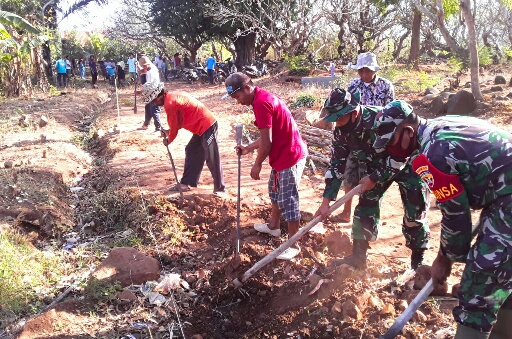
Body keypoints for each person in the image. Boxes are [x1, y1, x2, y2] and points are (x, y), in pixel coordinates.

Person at [372, 101, 512, 339]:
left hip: (506, 201)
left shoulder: (434, 155)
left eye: (391, 143)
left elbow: (456, 215)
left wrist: (444, 260)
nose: (390, 150)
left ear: (407, 132)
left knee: (480, 283)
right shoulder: (439, 127)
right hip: (501, 196)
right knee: (503, 272)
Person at [314, 88, 430, 270]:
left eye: (339, 118)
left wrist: (375, 177)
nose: (337, 123)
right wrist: (325, 202)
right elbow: (337, 164)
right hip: (374, 169)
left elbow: (402, 153)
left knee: (415, 211)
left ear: (353, 113)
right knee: (366, 205)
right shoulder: (341, 132)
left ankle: (418, 261)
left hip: (407, 164)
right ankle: (358, 257)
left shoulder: (380, 120)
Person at [224, 72, 308, 260]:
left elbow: (267, 143)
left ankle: (293, 245)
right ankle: (274, 226)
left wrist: (257, 164)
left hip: (290, 156)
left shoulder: (261, 103)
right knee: (275, 190)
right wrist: (247, 148)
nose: (238, 101)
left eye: (237, 97)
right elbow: (266, 137)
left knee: (288, 200)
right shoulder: (260, 98)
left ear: (247, 88)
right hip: (282, 154)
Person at [326, 52, 396, 224]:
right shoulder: (354, 85)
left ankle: (367, 220)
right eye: (361, 71)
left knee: (372, 182)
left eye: (367, 71)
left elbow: (392, 112)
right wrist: (326, 201)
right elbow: (336, 164)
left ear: (374, 70)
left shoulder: (386, 86)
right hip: (353, 136)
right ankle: (346, 212)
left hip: (376, 137)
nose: (363, 74)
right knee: (349, 175)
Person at [142, 81, 225, 194]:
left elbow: (175, 129)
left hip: (207, 126)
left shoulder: (169, 103)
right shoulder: (172, 97)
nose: (154, 104)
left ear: (157, 95)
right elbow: (178, 122)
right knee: (192, 150)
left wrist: (168, 140)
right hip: (200, 128)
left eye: (153, 100)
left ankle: (220, 189)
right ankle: (186, 183)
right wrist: (168, 131)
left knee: (212, 156)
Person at [135, 56, 162, 132]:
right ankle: (146, 125)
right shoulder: (149, 68)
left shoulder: (152, 72)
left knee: (154, 110)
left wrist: (140, 92)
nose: (144, 68)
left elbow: (150, 85)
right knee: (148, 108)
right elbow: (143, 71)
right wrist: (137, 65)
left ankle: (158, 128)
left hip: (154, 92)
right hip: (150, 92)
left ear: (147, 64)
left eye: (144, 66)